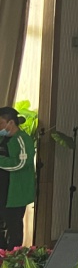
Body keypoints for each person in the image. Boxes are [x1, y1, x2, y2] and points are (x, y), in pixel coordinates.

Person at [0, 106, 36, 250]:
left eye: (1, 123)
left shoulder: (23, 139)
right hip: (2, 190)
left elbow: (21, 163)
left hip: (15, 192)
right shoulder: (2, 138)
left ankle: (13, 256)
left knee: (14, 227)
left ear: (11, 123)